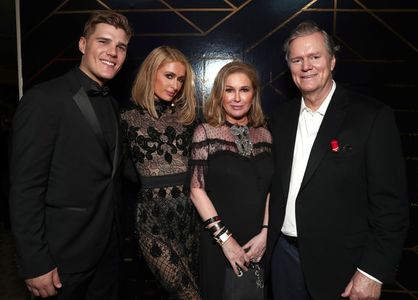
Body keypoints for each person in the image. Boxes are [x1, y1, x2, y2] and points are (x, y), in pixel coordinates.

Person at [267, 20, 409, 300]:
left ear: (332, 61)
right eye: (297, 59)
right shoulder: (279, 119)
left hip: (343, 269)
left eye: (314, 57)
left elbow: (391, 207)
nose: (306, 66)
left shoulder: (371, 117)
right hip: (282, 259)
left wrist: (372, 272)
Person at [9, 11, 133, 299]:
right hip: (61, 258)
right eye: (103, 41)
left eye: (121, 46)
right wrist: (35, 262)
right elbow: (26, 189)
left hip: (108, 253)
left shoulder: (113, 104)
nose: (112, 52)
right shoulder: (43, 99)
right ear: (82, 44)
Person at [120, 45, 201, 299]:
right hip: (152, 222)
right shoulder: (127, 117)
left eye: (180, 79)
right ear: (151, 73)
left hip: (189, 220)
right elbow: (119, 170)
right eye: (169, 76)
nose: (175, 85)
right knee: (187, 293)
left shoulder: (187, 120)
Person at [189, 61, 274, 299]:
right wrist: (225, 240)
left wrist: (266, 234)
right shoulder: (206, 132)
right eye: (229, 90)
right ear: (220, 94)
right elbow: (196, 191)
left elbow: (272, 188)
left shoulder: (266, 134)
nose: (237, 98)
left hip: (259, 241)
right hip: (219, 242)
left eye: (244, 90)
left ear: (253, 95)